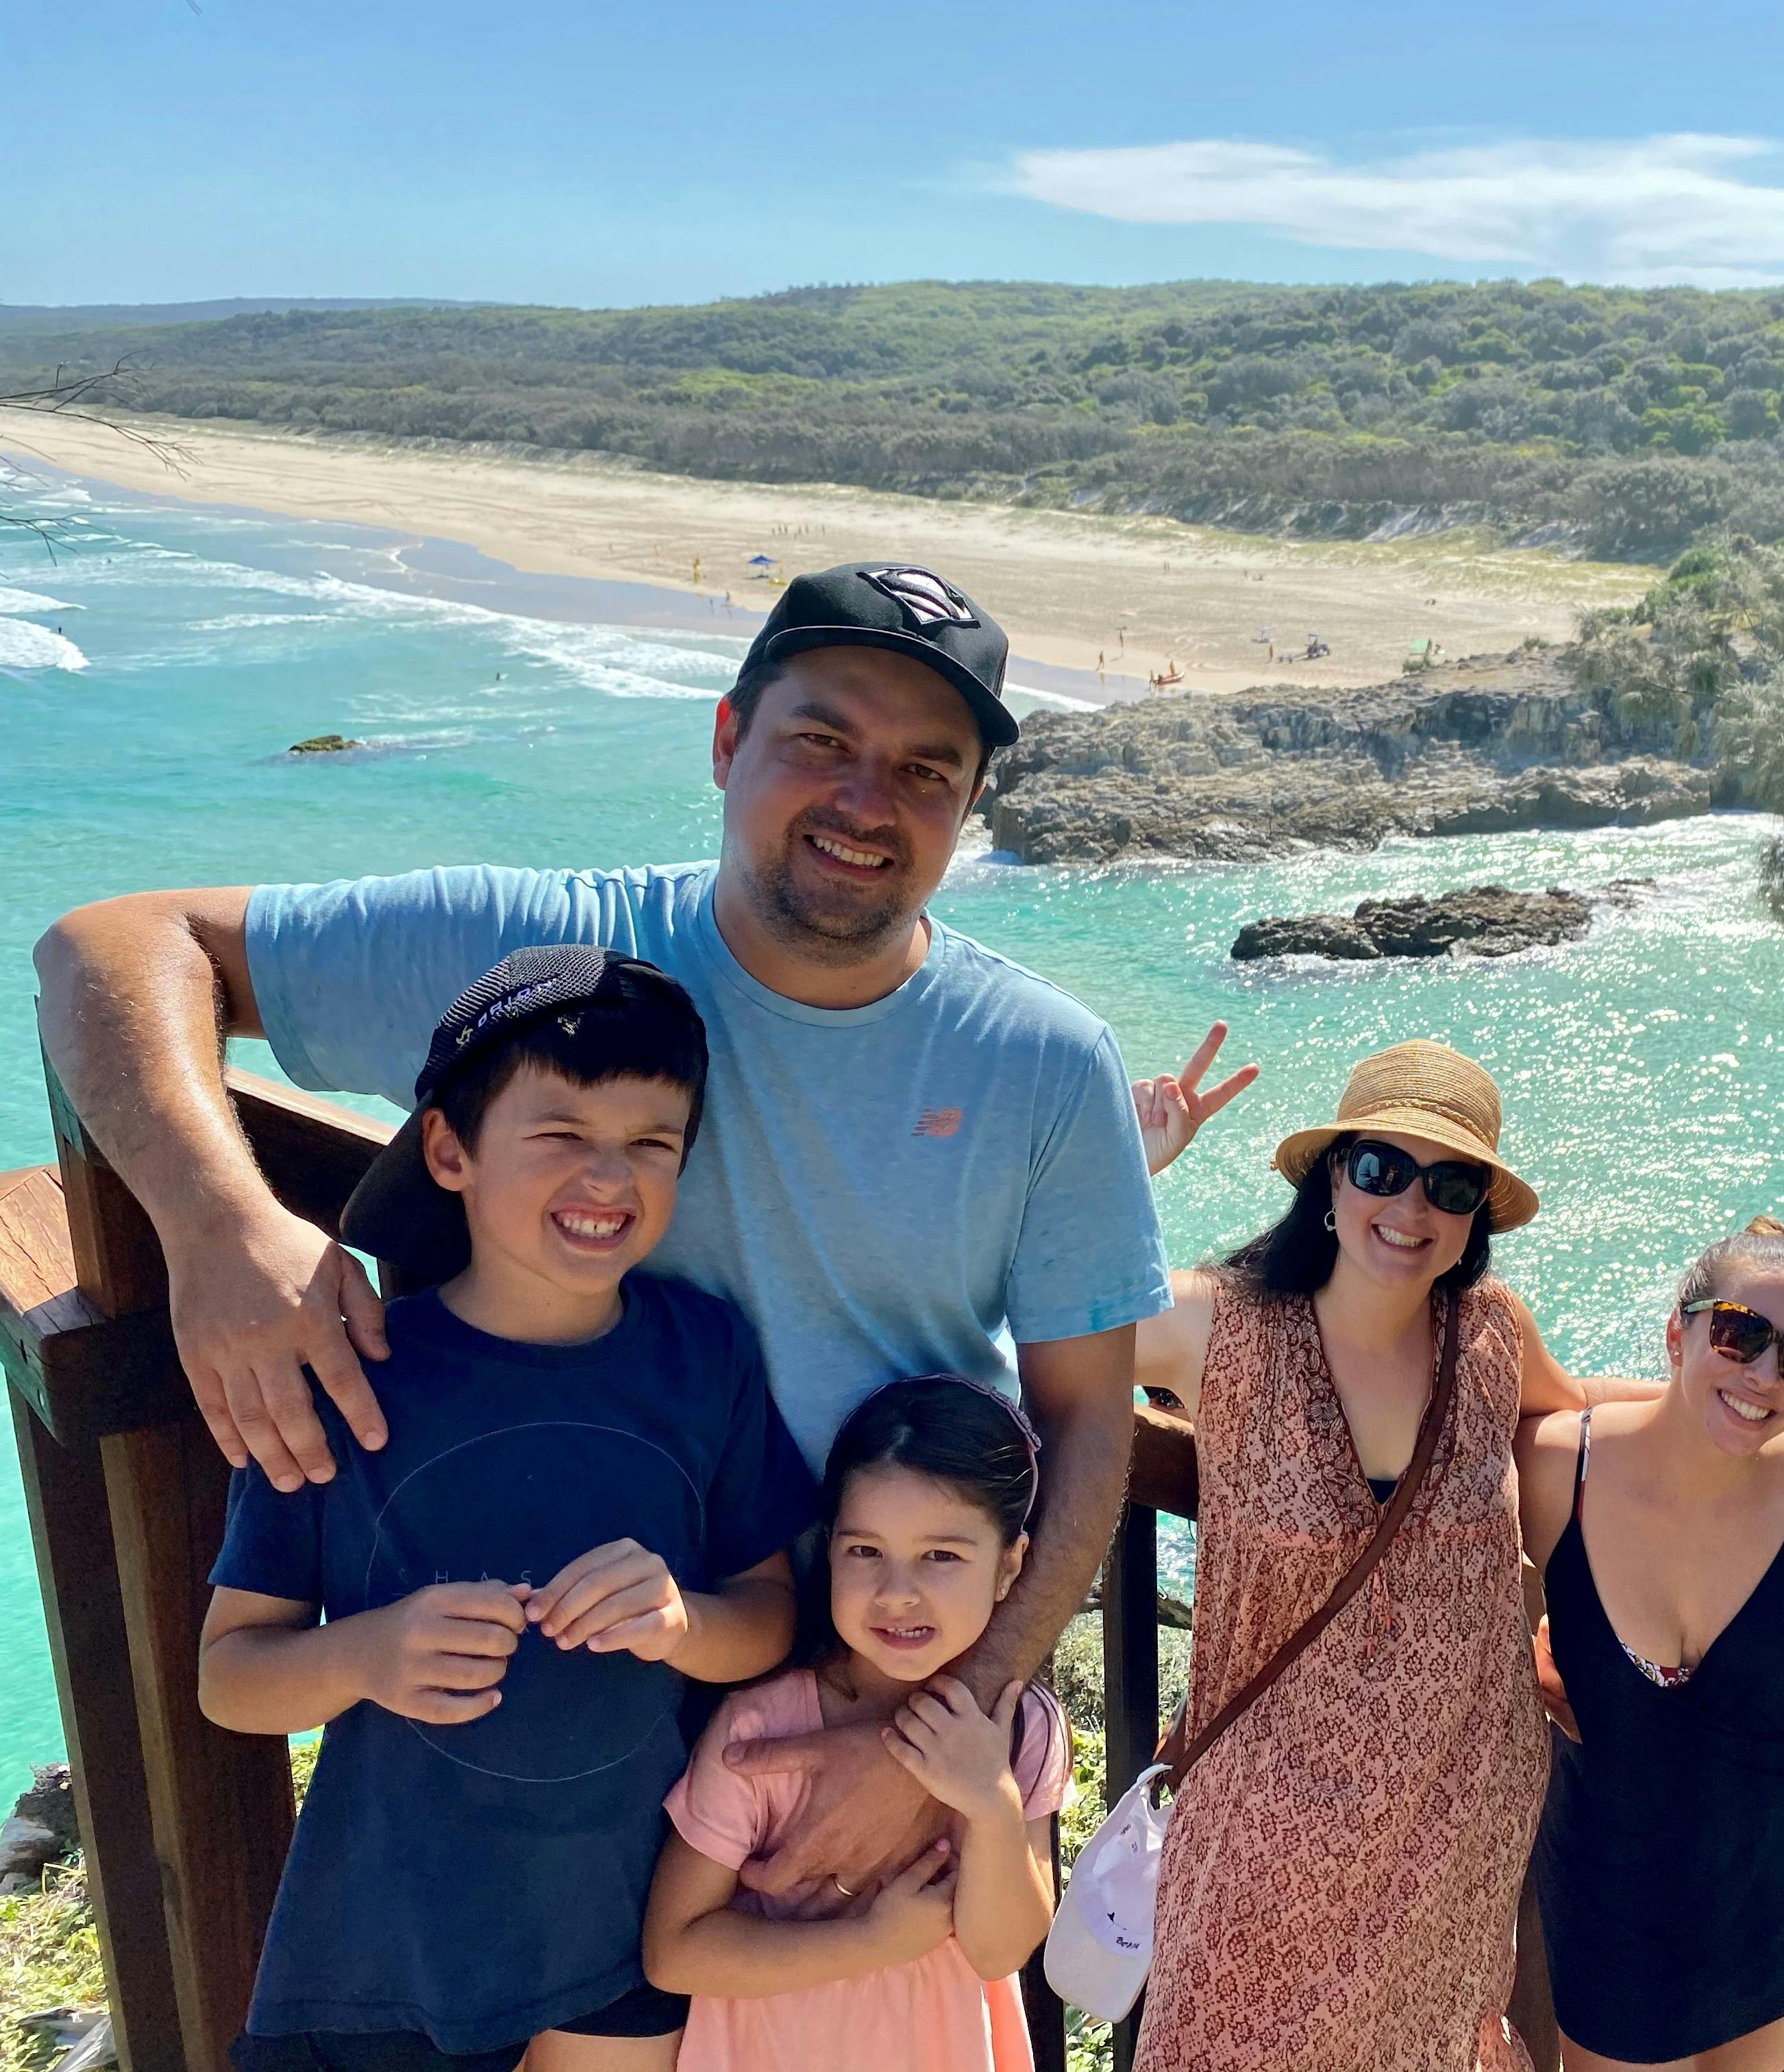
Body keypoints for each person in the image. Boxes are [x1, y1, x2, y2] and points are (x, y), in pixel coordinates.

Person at [36, 560, 1226, 1908]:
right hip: (560, 1686)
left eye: (924, 771)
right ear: (726, 740)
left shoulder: (1042, 1061)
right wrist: (218, 1223)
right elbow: (114, 949)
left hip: (873, 1685)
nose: (865, 802)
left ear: (966, 808)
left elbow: (1088, 1427)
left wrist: (927, 1739)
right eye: (822, 741)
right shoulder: (554, 962)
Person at [197, 947, 817, 2071]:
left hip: (623, 1928)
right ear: (449, 1149)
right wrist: (370, 1653)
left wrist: (683, 1615)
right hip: (388, 1944)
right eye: (560, 1135)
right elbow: (231, 1670)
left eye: (650, 1143)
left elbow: (768, 1610)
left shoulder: (702, 1353)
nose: (608, 1176)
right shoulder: (346, 1377)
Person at [1127, 1042, 1570, 2072]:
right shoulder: (1218, 1326)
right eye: (1382, 1169)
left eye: (1450, 1184)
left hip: (1450, 1817)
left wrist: (1767, 1402)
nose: (1411, 1208)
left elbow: (1579, 1416)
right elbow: (1036, 1323)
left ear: (1475, 1218)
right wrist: (1132, 1165)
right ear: (1333, 1177)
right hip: (1260, 1834)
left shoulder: (1491, 1332)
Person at [1517, 1217, 1784, 2072]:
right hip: (1612, 1887)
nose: (1764, 1376)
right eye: (1741, 1334)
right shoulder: (1560, 1467)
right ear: (1678, 1332)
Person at [646, 1375, 1070, 2072]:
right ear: (830, 1548)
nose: (897, 1593)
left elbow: (1001, 1949)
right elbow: (676, 1950)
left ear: (1009, 1567)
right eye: (865, 1551)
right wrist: (872, 1943)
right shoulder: (764, 1730)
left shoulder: (1019, 1724)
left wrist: (991, 1807)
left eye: (942, 1556)